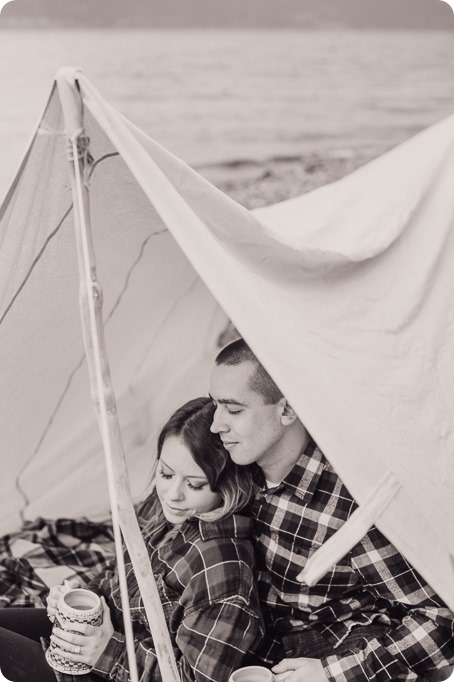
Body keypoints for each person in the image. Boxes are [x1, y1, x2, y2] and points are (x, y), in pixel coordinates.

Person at [209, 338, 454, 682]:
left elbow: (441, 622)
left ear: (287, 409)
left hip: (327, 653)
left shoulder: (352, 506)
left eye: (233, 410)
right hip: (254, 644)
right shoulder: (231, 468)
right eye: (214, 405)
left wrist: (332, 674)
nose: (215, 424)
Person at [0, 397, 264, 682]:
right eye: (165, 473)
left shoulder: (224, 571)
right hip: (90, 637)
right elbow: (118, 577)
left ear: (227, 485)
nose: (172, 493)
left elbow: (194, 679)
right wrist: (78, 593)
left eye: (194, 484)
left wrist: (107, 651)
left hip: (111, 670)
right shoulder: (169, 510)